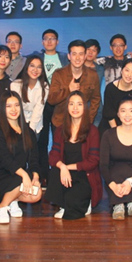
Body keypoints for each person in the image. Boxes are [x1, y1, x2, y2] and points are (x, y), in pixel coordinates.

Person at [45, 91, 102, 219]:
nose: (75, 108)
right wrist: (62, 166)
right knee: (54, 171)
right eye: (71, 104)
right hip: (65, 174)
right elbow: (53, 155)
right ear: (67, 107)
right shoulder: (60, 130)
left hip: (84, 175)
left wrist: (67, 167)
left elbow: (93, 161)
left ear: (84, 107)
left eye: (79, 104)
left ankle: (83, 202)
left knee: (72, 212)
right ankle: (65, 204)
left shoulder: (92, 131)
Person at [0, 90, 43, 224]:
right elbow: (4, 159)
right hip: (0, 175)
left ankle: (12, 200)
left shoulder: (28, 131)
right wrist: (24, 175)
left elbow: (34, 159)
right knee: (23, 180)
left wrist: (35, 177)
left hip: (19, 176)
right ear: (2, 108)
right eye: (8, 106)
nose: (13, 109)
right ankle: (2, 206)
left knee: (37, 194)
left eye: (16, 105)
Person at [99, 95, 132, 219]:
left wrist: (129, 182)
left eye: (131, 111)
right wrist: (113, 185)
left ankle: (125, 200)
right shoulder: (108, 135)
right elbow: (103, 165)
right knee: (119, 170)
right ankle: (122, 202)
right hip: (114, 176)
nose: (127, 115)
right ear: (118, 114)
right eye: (123, 111)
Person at [29, 29, 69, 177]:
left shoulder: (64, 58)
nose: (49, 41)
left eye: (52, 38)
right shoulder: (37, 57)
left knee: (61, 139)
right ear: (42, 42)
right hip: (42, 103)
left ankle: (61, 173)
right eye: (46, 38)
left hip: (61, 103)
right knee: (42, 140)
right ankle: (44, 174)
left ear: (57, 42)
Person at [48, 40, 101, 133]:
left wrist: (89, 119)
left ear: (85, 56)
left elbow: (96, 99)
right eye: (74, 54)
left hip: (82, 123)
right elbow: (51, 100)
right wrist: (68, 90)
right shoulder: (59, 74)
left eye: (81, 54)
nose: (77, 58)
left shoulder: (92, 75)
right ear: (69, 56)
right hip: (60, 122)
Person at [101, 58, 132, 137]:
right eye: (127, 70)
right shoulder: (111, 88)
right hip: (112, 126)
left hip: (131, 126)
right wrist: (118, 133)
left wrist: (130, 132)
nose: (129, 75)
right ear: (122, 71)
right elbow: (108, 114)